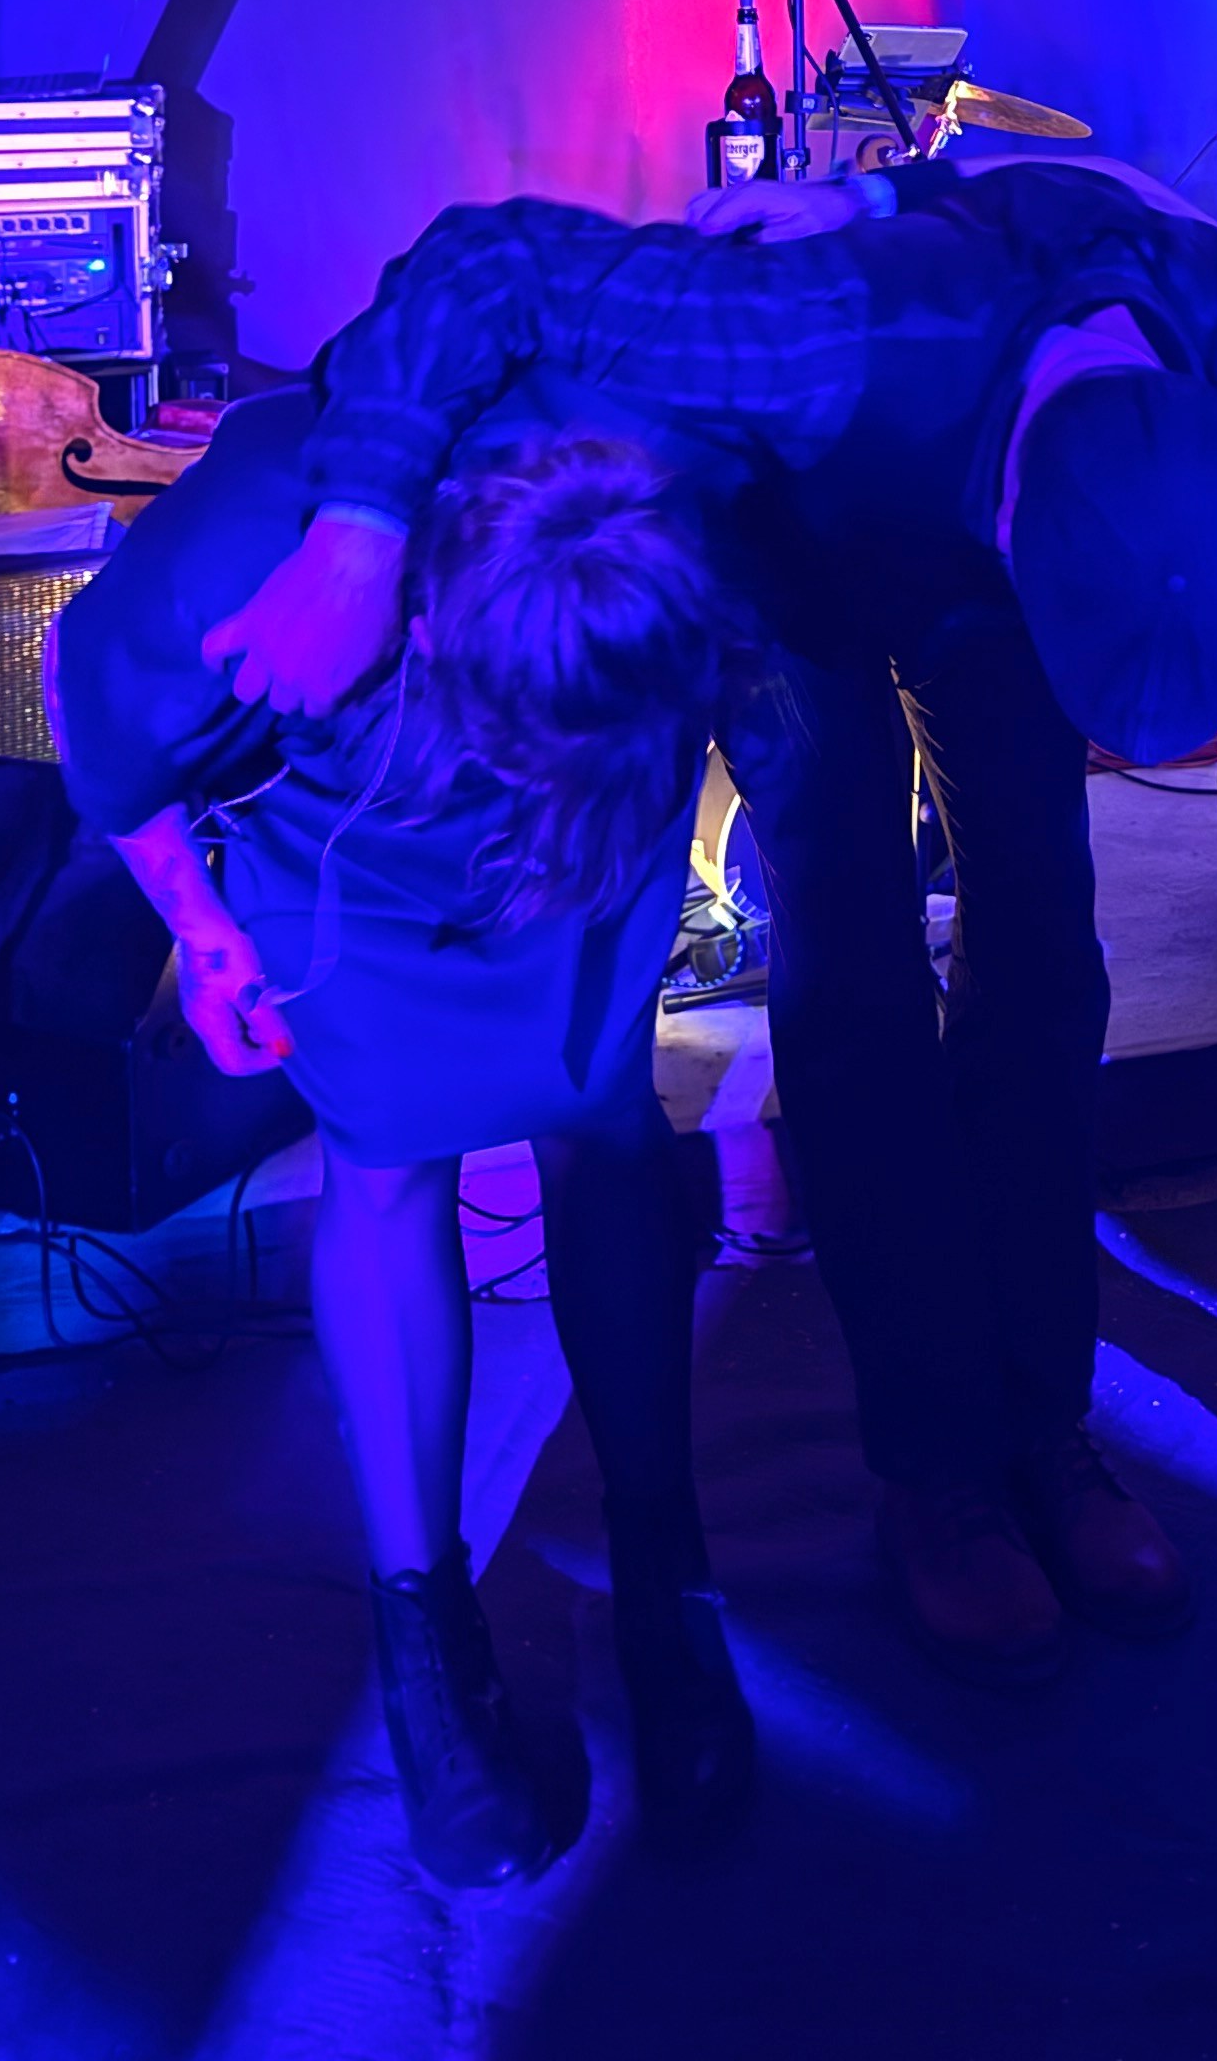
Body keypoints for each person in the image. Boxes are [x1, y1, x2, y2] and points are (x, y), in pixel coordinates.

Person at [200, 165, 1217, 1651]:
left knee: (1045, 965)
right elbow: (484, 264)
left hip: (994, 565)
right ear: (1019, 522)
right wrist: (357, 534)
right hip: (796, 574)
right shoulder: (806, 337)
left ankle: (1046, 1430)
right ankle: (936, 1470)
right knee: (855, 975)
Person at [53, 395, 756, 1889]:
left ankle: (663, 1560)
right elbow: (101, 715)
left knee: (602, 1115)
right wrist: (203, 932)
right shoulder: (257, 533)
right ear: (419, 621)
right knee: (383, 1158)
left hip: (607, 781)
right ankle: (422, 1625)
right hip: (358, 830)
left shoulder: (666, 477)